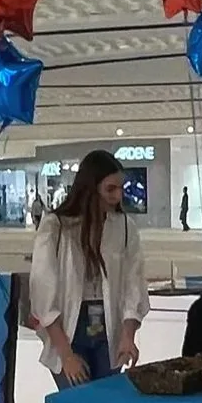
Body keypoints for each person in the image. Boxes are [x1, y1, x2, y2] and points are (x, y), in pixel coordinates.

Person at [30, 149, 150, 386]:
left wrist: (128, 336)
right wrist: (65, 354)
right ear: (90, 187)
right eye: (110, 189)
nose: (117, 196)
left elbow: (133, 283)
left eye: (120, 188)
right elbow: (43, 290)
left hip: (109, 329)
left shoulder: (125, 227)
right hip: (69, 330)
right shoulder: (56, 227)